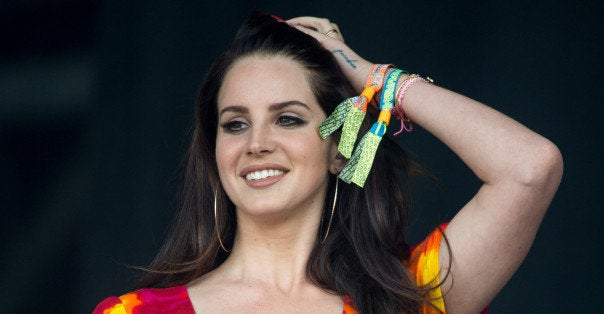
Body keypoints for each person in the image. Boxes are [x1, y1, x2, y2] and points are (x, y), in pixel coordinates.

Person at [94, 11, 562, 314]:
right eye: (235, 124)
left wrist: (371, 77)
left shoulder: (406, 298)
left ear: (339, 148)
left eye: (289, 119)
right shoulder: (135, 312)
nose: (257, 143)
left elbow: (529, 167)